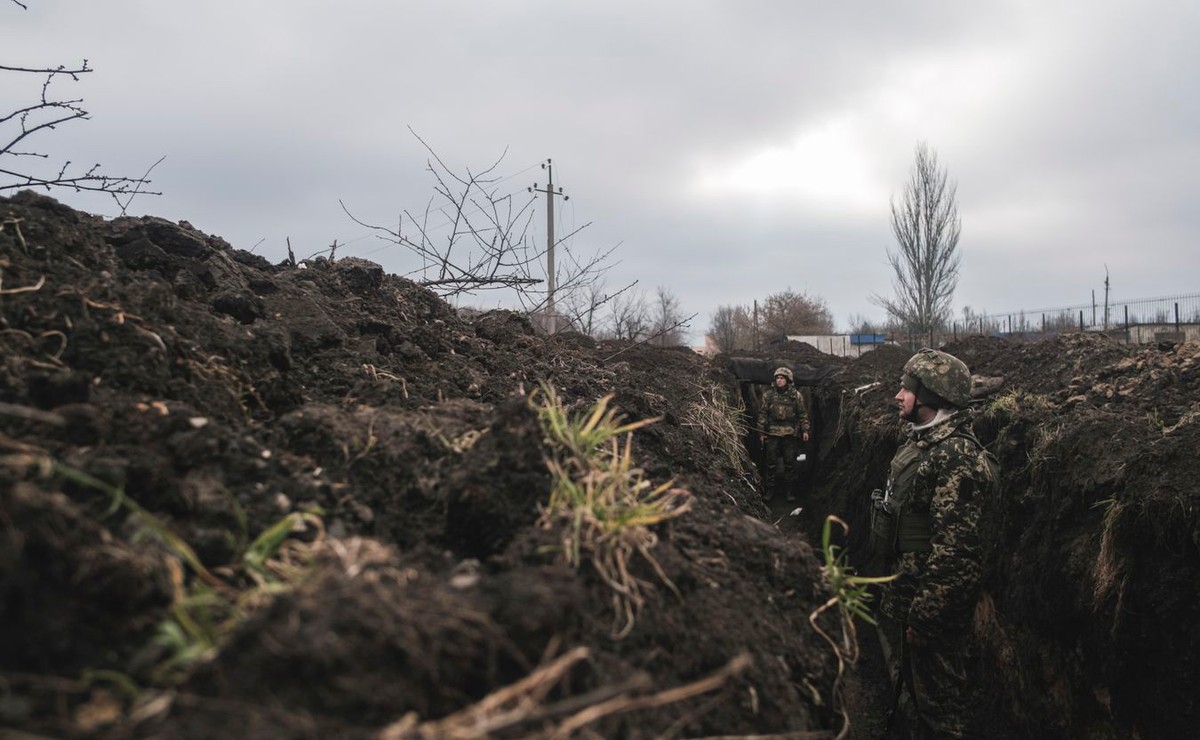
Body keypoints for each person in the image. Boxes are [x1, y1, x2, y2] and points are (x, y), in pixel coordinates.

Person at [871, 348, 995, 739]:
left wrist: (926, 616)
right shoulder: (922, 444)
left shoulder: (957, 458)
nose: (897, 396)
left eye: (905, 389)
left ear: (931, 396)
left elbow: (957, 553)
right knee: (918, 697)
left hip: (932, 614)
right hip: (909, 595)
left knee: (942, 711)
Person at [757, 366, 810, 501]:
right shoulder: (768, 395)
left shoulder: (795, 396)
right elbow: (762, 414)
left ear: (788, 380)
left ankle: (789, 492)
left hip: (789, 434)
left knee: (790, 464)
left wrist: (805, 430)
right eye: (777, 378)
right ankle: (769, 491)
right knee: (770, 464)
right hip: (773, 433)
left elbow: (802, 414)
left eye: (782, 378)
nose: (779, 381)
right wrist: (761, 432)